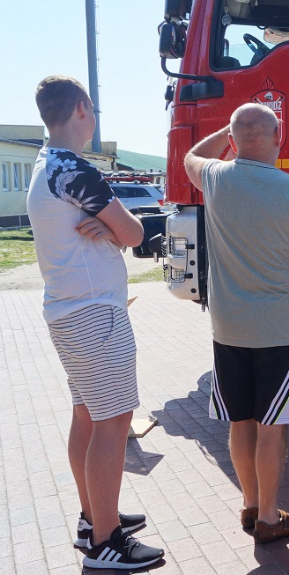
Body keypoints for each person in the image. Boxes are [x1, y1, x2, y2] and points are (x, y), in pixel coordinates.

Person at [183, 103, 289, 544]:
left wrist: (229, 132)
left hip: (228, 327)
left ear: (236, 140)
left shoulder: (215, 179)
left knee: (240, 421)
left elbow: (189, 157)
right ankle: (269, 518)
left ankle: (250, 505)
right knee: (271, 427)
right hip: (278, 329)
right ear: (279, 136)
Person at [27, 75, 165, 570]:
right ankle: (106, 543)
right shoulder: (75, 170)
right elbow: (132, 232)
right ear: (82, 108)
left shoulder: (46, 166)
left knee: (88, 416)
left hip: (67, 309)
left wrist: (105, 226)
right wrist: (112, 227)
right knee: (113, 423)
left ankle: (94, 518)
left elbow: (115, 231)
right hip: (94, 312)